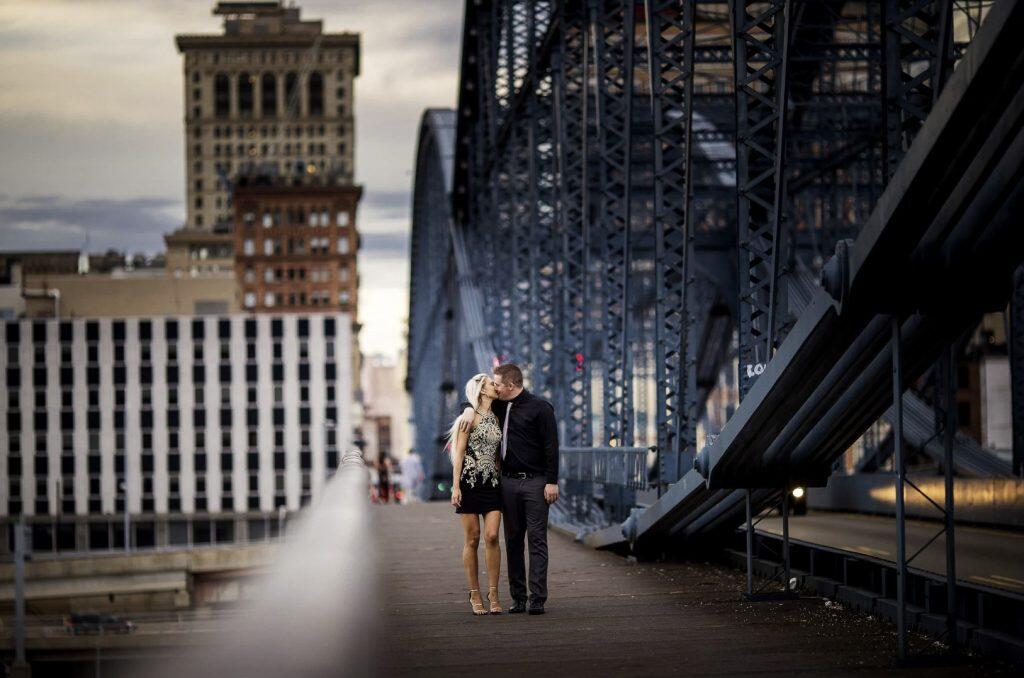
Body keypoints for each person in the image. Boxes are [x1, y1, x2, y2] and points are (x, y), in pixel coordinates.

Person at [459, 363, 558, 615]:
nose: (495, 386)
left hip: (536, 482)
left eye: (498, 383)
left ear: (510, 386)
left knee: (537, 540)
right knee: (512, 540)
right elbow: (474, 399)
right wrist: (467, 408)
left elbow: (551, 447)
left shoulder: (541, 408)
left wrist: (552, 481)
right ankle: (518, 597)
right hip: (506, 482)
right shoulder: (499, 405)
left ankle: (537, 598)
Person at [448, 373, 504, 616]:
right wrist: (455, 487)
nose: (496, 386)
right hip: (469, 482)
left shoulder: (499, 415)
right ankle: (474, 592)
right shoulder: (468, 417)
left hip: (492, 483)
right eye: (492, 384)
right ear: (482, 389)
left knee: (492, 536)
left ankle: (494, 592)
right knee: (472, 538)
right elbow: (458, 453)